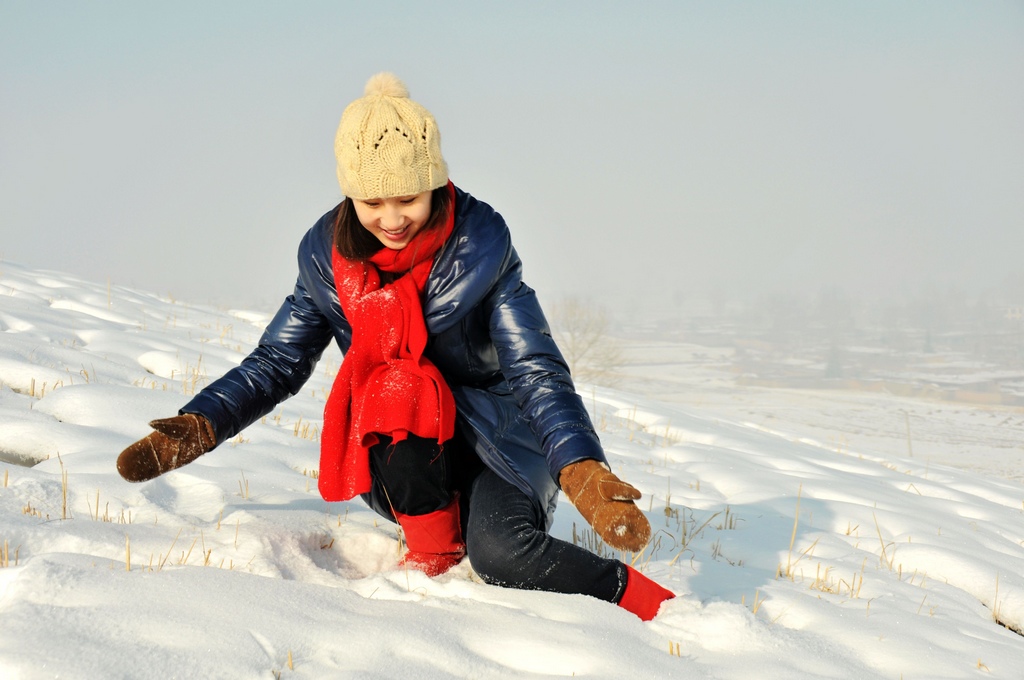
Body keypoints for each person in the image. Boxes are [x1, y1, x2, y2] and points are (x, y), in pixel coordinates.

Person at [116, 72, 675, 621]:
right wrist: (202, 424)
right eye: (371, 202)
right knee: (393, 381)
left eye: (407, 198)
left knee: (503, 556)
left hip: (498, 439)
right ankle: (433, 544)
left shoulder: (483, 248)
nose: (391, 219)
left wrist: (579, 468)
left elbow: (534, 369)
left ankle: (640, 600)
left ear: (433, 183)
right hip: (405, 447)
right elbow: (277, 361)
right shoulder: (325, 260)